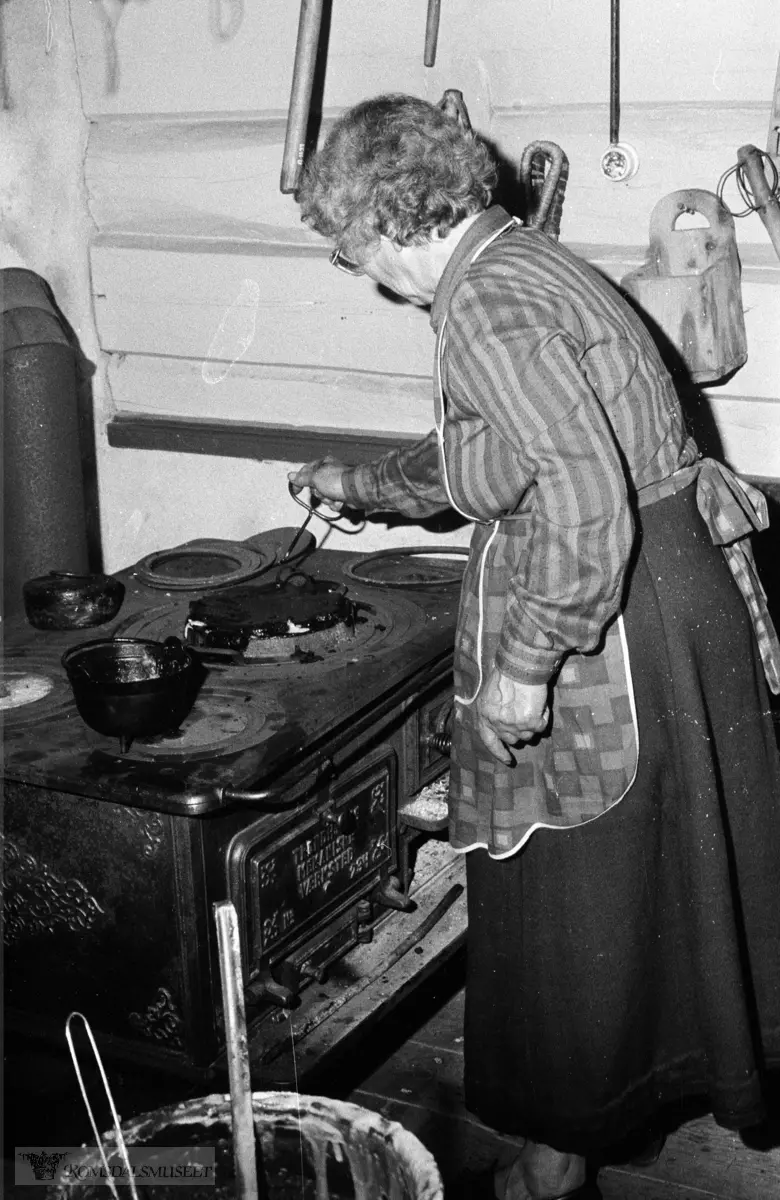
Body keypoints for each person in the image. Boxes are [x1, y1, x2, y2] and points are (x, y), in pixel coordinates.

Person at [289, 93, 780, 1200]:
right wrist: (360, 484)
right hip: (672, 592)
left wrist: (525, 661)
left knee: (572, 896)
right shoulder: (528, 263)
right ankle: (610, 1120)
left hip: (615, 620)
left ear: (393, 218)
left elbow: (576, 491)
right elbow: (502, 457)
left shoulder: (487, 304)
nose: (364, 273)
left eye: (356, 247)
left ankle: (553, 1161)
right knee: (649, 886)